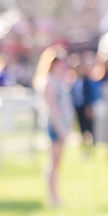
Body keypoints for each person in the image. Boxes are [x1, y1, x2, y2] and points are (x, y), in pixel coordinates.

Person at [33, 48, 75, 207]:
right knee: (53, 163)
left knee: (57, 163)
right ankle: (53, 197)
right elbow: (52, 109)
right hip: (55, 126)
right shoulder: (49, 82)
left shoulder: (58, 80)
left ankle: (56, 196)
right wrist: (60, 129)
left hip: (61, 126)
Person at [70, 51, 97, 155]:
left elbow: (89, 95)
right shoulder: (73, 81)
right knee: (81, 128)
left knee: (89, 128)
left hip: (86, 107)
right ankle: (84, 149)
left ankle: (91, 148)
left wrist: (89, 107)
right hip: (78, 108)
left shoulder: (87, 81)